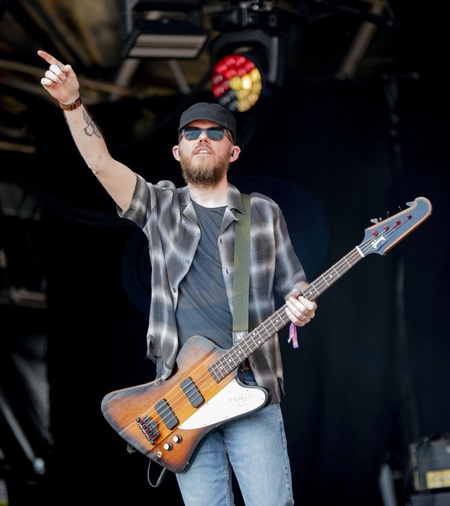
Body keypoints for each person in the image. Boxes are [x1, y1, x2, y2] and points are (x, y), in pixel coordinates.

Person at [37, 49, 317, 506]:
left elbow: (294, 284)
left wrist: (301, 305)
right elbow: (101, 163)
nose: (203, 138)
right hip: (182, 397)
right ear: (177, 151)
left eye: (215, 132)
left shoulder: (262, 213)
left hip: (252, 385)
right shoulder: (160, 207)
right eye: (191, 132)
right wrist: (72, 103)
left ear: (233, 150)